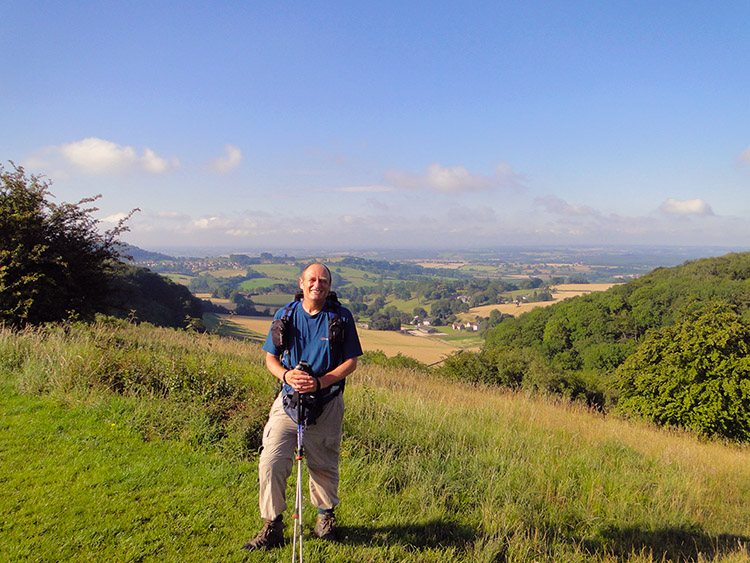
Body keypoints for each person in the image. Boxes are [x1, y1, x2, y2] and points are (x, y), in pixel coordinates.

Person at [242, 262, 363, 550]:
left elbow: (351, 362)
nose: (316, 285)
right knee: (271, 461)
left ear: (329, 286)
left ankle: (325, 520)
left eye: (323, 281)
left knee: (323, 464)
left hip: (328, 401)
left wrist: (320, 382)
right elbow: (270, 358)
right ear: (301, 283)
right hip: (288, 401)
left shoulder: (341, 318)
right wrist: (286, 375)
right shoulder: (285, 315)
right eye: (311, 279)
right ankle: (272, 526)